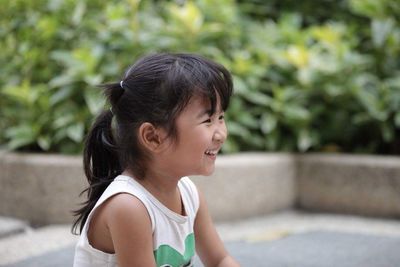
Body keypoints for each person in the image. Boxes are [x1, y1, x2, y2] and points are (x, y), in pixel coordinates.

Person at [72, 53, 240, 267]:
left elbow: (220, 260)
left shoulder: (189, 194)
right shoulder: (129, 206)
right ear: (153, 137)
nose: (220, 134)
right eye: (207, 120)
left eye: (220, 118)